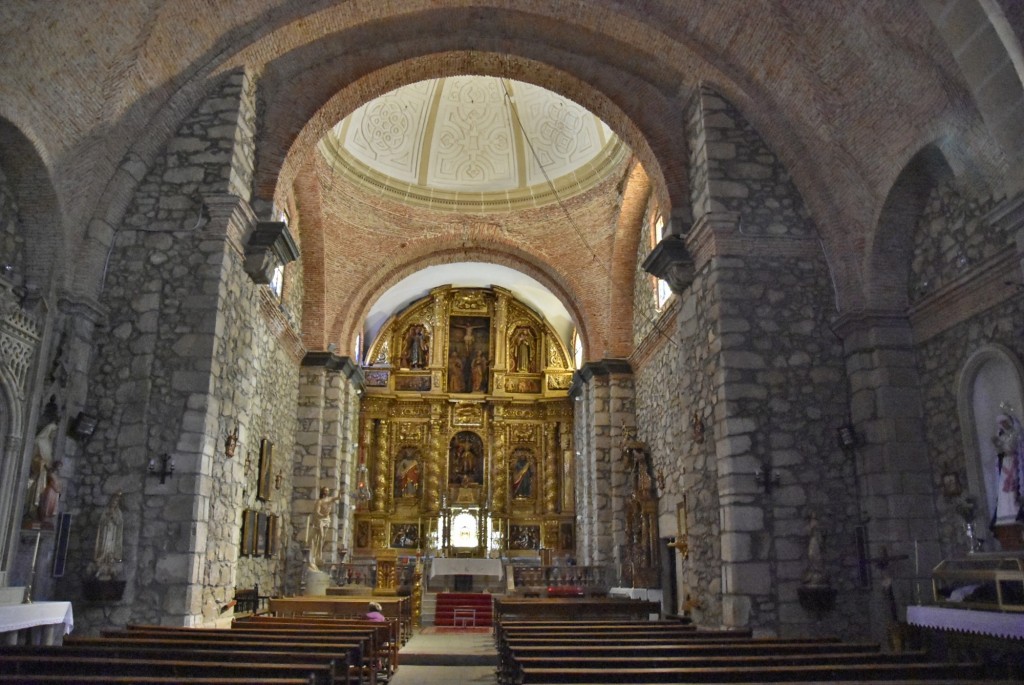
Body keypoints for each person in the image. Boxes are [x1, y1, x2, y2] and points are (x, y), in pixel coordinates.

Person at [991, 413, 1024, 525]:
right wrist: (998, 445)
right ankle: (1005, 513)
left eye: (1004, 422)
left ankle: (1015, 511)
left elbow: (1012, 447)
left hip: (1013, 461)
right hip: (1005, 463)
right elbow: (1000, 452)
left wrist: (1003, 446)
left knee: (1013, 487)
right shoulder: (1002, 436)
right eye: (1001, 423)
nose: (1003, 424)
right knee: (1004, 490)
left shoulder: (1015, 434)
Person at [307, 487, 341, 571]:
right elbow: (317, 512)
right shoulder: (320, 501)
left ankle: (319, 554)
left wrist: (340, 492)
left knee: (323, 537)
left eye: (328, 491)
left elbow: (338, 498)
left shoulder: (330, 499)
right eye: (326, 491)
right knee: (320, 535)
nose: (327, 492)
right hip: (320, 519)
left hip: (326, 520)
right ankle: (315, 555)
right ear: (323, 492)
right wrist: (323, 515)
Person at [94, 492, 124, 580]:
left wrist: (113, 517)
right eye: (113, 501)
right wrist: (107, 518)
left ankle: (110, 560)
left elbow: (119, 523)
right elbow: (101, 522)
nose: (114, 503)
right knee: (104, 546)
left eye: (116, 501)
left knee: (111, 547)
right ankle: (102, 559)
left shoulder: (118, 512)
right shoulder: (105, 511)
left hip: (113, 534)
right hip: (106, 533)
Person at [37, 460, 63, 526]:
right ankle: (44, 517)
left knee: (52, 506)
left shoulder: (57, 475)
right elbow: (51, 482)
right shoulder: (51, 473)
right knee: (47, 504)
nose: (59, 468)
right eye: (59, 466)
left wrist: (59, 490)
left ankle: (47, 518)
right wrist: (56, 489)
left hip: (55, 493)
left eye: (60, 467)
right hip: (51, 491)